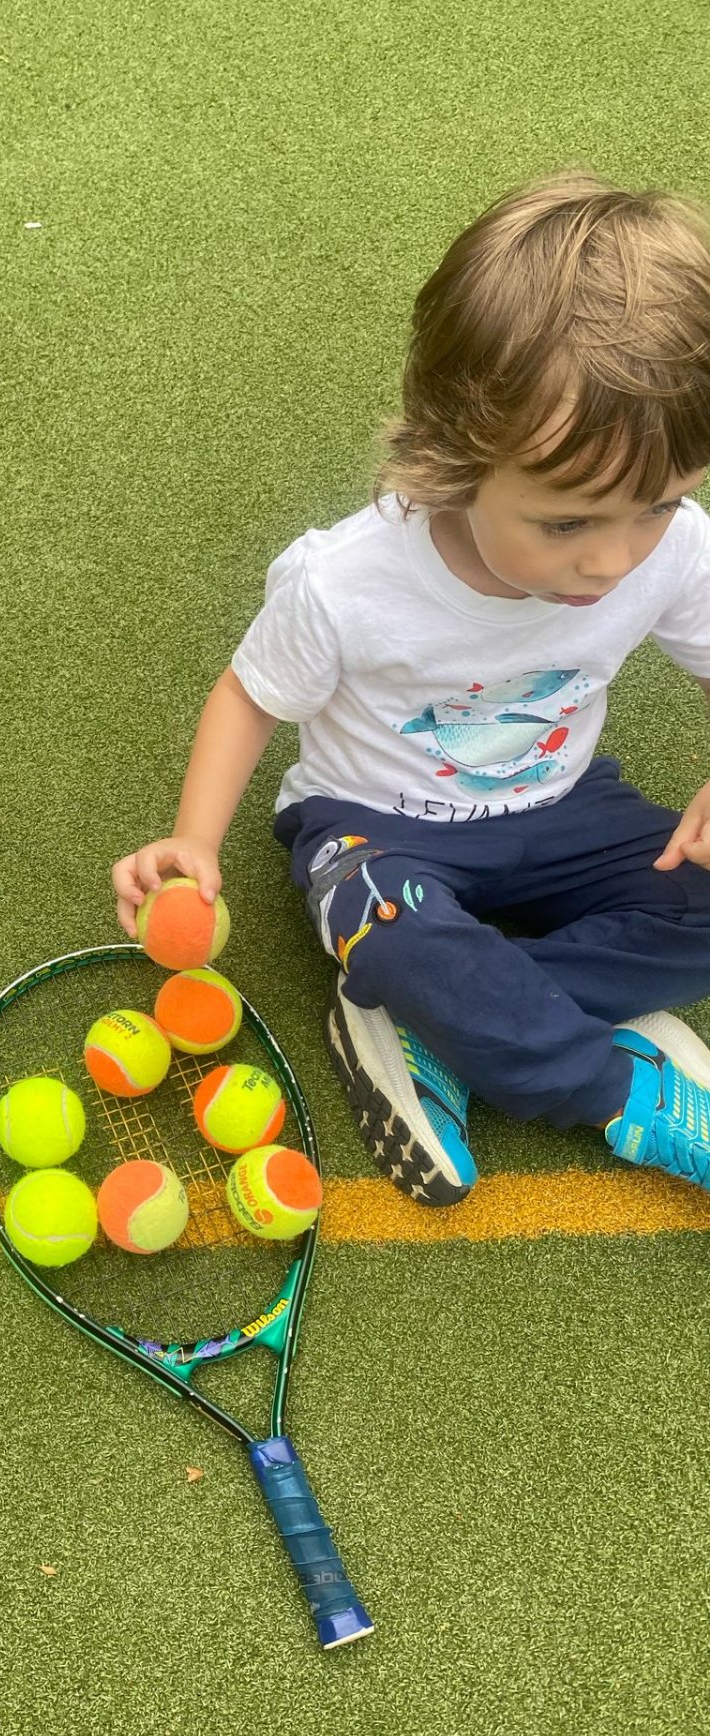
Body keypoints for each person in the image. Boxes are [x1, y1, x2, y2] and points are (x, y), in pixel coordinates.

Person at [113, 173, 710, 1207]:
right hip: (377, 833)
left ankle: (439, 1017)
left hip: (565, 808)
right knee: (391, 922)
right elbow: (250, 696)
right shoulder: (347, 581)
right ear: (455, 452)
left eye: (657, 505)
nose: (614, 559)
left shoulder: (673, 548)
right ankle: (613, 1091)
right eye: (566, 522)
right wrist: (194, 841)